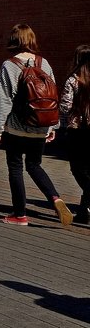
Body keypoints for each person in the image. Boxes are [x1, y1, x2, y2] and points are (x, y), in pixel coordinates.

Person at [0, 23, 72, 226]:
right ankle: (55, 198)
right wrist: (53, 126)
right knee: (35, 165)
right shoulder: (44, 63)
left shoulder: (9, 65)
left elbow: (4, 99)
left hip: (17, 127)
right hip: (41, 125)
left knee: (15, 167)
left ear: (13, 41)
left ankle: (20, 215)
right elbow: (53, 95)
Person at [59, 45, 90, 223]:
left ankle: (84, 209)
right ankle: (84, 210)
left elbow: (65, 107)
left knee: (78, 168)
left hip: (77, 131)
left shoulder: (73, 80)